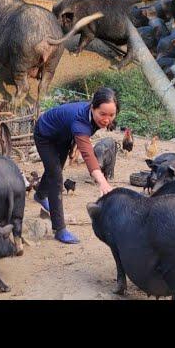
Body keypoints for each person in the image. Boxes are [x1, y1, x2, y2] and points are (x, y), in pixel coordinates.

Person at [33, 87, 118, 244]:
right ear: (92, 107)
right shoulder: (80, 121)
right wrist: (102, 181)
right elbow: (87, 153)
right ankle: (59, 229)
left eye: (111, 115)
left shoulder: (92, 116)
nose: (107, 119)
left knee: (54, 170)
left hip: (63, 136)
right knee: (57, 177)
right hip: (45, 135)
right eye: (103, 114)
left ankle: (40, 195)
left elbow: (83, 137)